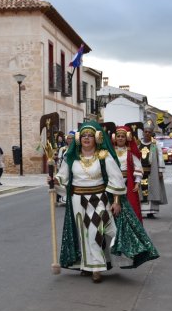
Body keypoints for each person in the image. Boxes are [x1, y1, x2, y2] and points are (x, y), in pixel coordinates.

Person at [52, 121, 159, 283]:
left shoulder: (104, 156)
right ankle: (87, 265)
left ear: (97, 138)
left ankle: (97, 268)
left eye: (90, 135)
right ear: (79, 138)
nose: (87, 139)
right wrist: (54, 180)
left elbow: (116, 178)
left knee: (95, 232)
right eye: (84, 135)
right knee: (84, 233)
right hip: (77, 200)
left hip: (99, 199)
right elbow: (62, 176)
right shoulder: (72, 157)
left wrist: (116, 201)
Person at [112, 125, 143, 221]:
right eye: (118, 136)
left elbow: (138, 166)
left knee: (128, 208)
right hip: (112, 183)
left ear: (127, 138)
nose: (120, 138)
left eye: (123, 136)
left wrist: (137, 182)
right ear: (114, 138)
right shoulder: (110, 151)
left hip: (127, 183)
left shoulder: (130, 152)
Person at [138, 121, 167, 218]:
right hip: (140, 172)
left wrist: (160, 170)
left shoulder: (155, 144)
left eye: (149, 132)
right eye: (145, 132)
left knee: (152, 190)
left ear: (151, 133)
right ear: (143, 133)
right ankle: (141, 211)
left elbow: (160, 156)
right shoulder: (139, 144)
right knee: (140, 191)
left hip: (152, 171)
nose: (147, 133)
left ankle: (151, 211)